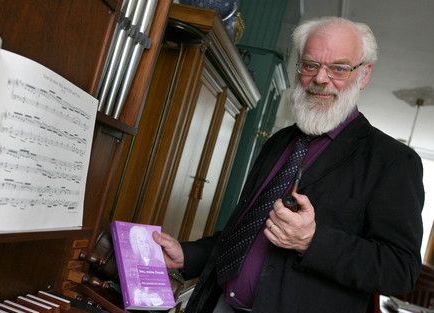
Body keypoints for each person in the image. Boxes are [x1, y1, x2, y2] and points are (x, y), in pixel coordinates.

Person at [152, 16, 425, 313]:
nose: (321, 79)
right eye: (310, 65)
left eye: (338, 68)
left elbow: (402, 271)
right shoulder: (279, 141)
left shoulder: (394, 162)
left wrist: (312, 240)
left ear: (364, 74)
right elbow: (245, 231)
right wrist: (187, 255)